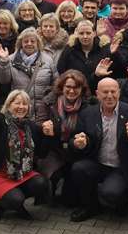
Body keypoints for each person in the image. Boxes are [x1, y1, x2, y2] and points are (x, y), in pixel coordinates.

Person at [69, 78, 128, 222]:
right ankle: (91, 206)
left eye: (113, 91)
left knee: (112, 193)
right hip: (98, 162)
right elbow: (75, 138)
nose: (110, 96)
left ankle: (122, 202)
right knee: (78, 168)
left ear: (119, 93)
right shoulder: (88, 113)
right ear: (97, 94)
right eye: (105, 92)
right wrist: (79, 143)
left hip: (120, 167)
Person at [0, 85, 50, 221]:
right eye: (17, 103)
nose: (21, 107)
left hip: (21, 173)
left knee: (42, 184)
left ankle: (11, 199)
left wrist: (48, 136)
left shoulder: (32, 127)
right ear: (9, 105)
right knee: (16, 199)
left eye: (24, 104)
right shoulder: (0, 121)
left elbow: (42, 153)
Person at [39, 70, 91, 202]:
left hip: (76, 151)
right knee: (52, 176)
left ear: (82, 89)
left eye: (76, 87)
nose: (72, 91)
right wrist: (45, 128)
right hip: (54, 149)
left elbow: (91, 131)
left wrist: (84, 140)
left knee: (70, 200)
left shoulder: (89, 105)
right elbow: (39, 123)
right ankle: (48, 187)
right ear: (62, 87)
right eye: (68, 87)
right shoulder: (49, 102)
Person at [0, 28, 57, 122]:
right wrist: (3, 62)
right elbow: (3, 80)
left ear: (38, 43)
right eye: (26, 41)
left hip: (42, 112)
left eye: (32, 41)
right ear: (20, 43)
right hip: (19, 109)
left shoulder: (48, 60)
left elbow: (56, 82)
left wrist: (48, 100)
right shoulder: (10, 59)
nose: (29, 44)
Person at [57, 20, 111, 91]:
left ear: (94, 33)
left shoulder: (103, 48)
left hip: (97, 90)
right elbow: (61, 69)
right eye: (81, 33)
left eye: (88, 33)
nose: (85, 36)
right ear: (77, 34)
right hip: (75, 91)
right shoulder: (69, 49)